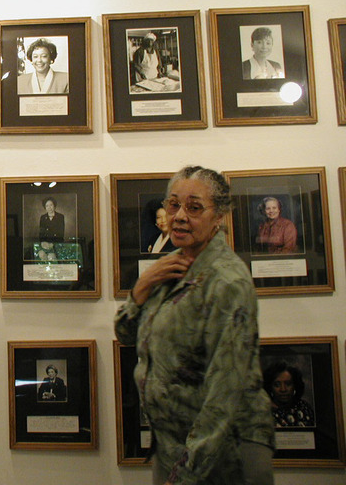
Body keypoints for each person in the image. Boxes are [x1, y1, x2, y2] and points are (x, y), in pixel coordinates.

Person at [115, 165, 275, 485]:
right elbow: (126, 334)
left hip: (220, 454)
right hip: (173, 445)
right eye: (173, 204)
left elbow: (224, 394)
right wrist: (140, 289)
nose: (179, 216)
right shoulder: (173, 266)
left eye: (194, 207)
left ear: (219, 217)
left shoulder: (227, 281)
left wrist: (183, 473)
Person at [262, 361, 315, 428]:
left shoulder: (304, 408)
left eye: (288, 384)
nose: (283, 389)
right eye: (277, 385)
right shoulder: (263, 411)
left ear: (295, 385)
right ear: (269, 387)